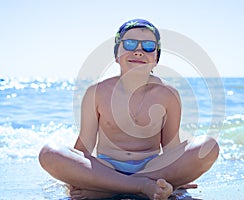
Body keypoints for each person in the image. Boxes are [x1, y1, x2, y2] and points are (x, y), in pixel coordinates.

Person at [39, 19, 219, 200]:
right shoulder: (97, 92)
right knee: (49, 152)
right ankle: (141, 186)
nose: (138, 51)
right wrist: (75, 177)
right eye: (130, 44)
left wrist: (179, 175)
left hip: (152, 168)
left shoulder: (168, 94)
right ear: (117, 54)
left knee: (208, 146)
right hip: (106, 168)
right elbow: (83, 148)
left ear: (156, 58)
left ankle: (113, 188)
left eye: (148, 46)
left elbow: (171, 150)